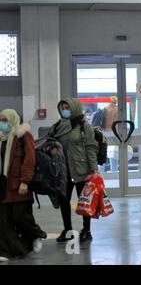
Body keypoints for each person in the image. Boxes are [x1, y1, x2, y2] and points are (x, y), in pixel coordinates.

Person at [48, 98, 99, 243]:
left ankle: (86, 230)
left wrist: (94, 169)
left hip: (82, 170)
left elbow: (91, 148)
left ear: (75, 108)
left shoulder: (84, 126)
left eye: (68, 107)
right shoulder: (58, 126)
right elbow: (50, 141)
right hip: (63, 170)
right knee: (64, 200)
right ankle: (68, 230)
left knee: (84, 202)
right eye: (63, 107)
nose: (65, 110)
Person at [0, 109, 47, 261]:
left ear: (13, 120)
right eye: (1, 120)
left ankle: (36, 235)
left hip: (17, 184)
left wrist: (25, 181)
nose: (2, 123)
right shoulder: (1, 138)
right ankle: (7, 251)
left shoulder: (23, 136)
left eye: (5, 120)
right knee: (4, 221)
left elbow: (29, 160)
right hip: (3, 185)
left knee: (20, 217)